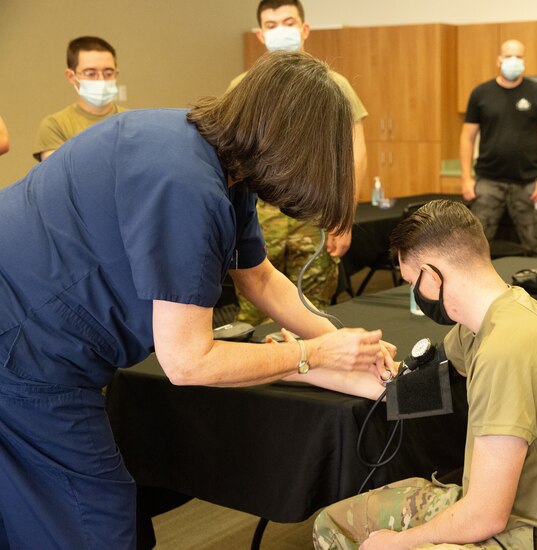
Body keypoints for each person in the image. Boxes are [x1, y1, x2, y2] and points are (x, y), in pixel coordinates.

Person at [0, 51, 391, 548]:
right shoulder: (185, 184)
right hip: (23, 348)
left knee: (30, 511)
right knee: (94, 521)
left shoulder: (218, 161)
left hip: (32, 332)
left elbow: (260, 279)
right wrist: (310, 355)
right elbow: (186, 361)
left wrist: (345, 346)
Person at [312, 200, 537, 549]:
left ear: (432, 278)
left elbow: (485, 516)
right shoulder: (500, 314)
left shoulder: (504, 352)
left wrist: (399, 543)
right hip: (528, 509)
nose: (415, 296)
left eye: (412, 283)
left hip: (533, 534)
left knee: (336, 530)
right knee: (334, 519)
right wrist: (300, 364)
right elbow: (404, 391)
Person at [230, 0, 368, 316]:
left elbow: (355, 151)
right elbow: (229, 159)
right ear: (260, 35)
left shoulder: (334, 85)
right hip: (258, 220)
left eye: (288, 22)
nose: (281, 31)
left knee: (312, 313)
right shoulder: (243, 88)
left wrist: (344, 215)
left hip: (315, 217)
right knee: (255, 313)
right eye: (272, 25)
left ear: (305, 29)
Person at [460, 39, 537, 257]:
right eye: (508, 56)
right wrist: (467, 178)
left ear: (525, 60)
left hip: (529, 183)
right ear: (499, 60)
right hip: (487, 182)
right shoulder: (481, 93)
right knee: (476, 247)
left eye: (518, 56)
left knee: (535, 245)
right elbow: (467, 137)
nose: (513, 60)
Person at [33, 36, 126, 162]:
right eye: (90, 73)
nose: (101, 80)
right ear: (71, 76)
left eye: (108, 73)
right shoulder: (56, 126)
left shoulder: (131, 122)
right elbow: (58, 177)